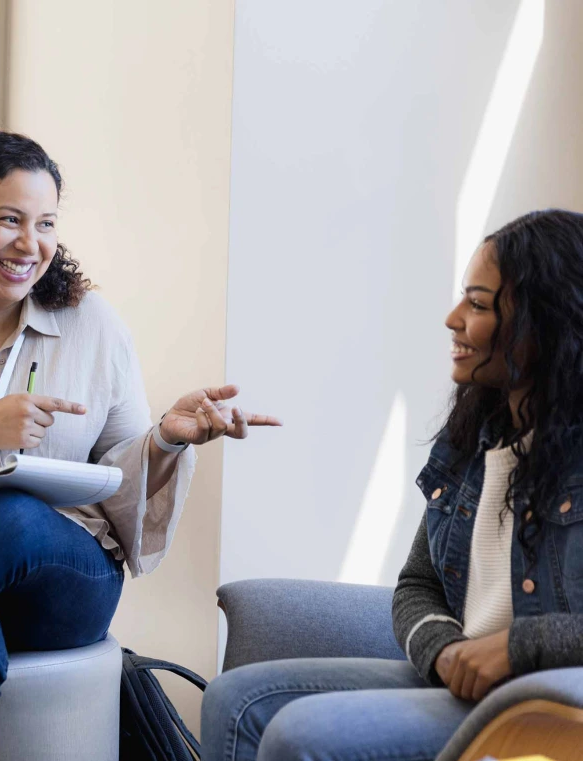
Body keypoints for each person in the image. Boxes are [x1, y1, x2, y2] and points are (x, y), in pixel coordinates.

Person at [0, 129, 281, 761]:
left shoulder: (92, 325)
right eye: (8, 219)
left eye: (45, 223)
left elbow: (120, 482)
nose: (29, 244)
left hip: (63, 583)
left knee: (8, 514)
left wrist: (167, 439)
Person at [198, 209, 583, 761]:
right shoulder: (472, 439)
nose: (452, 319)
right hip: (463, 687)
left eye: (477, 304)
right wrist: (444, 651)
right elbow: (418, 586)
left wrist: (520, 649)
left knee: (301, 734)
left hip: (546, 704)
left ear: (548, 321)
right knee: (234, 700)